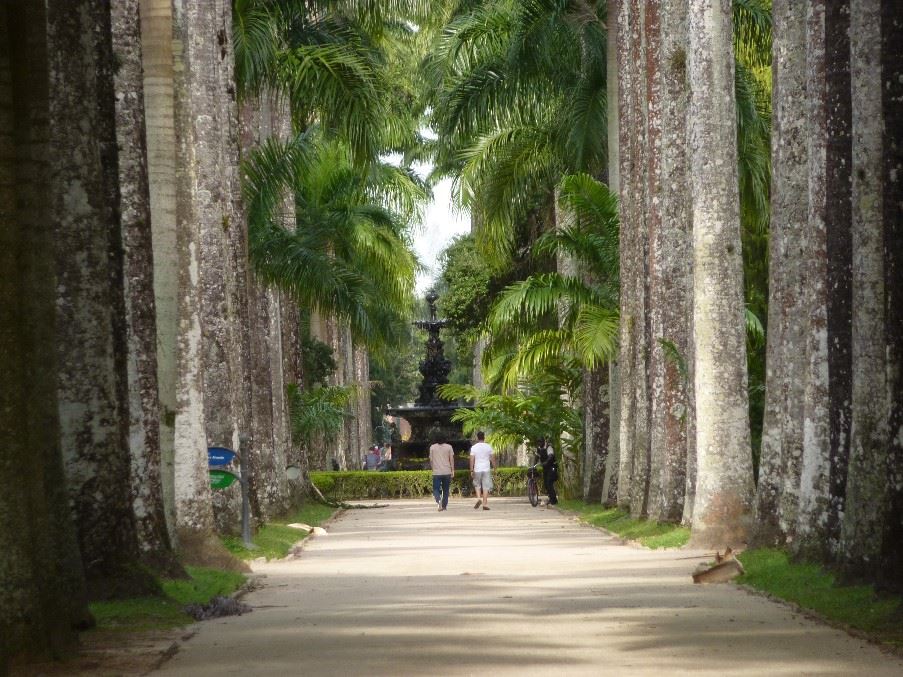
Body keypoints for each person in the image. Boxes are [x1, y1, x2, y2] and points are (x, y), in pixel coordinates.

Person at [469, 431, 496, 510]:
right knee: (486, 486)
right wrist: (495, 468)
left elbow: (471, 459)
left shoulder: (474, 447)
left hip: (477, 468)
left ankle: (478, 499)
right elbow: (493, 458)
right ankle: (484, 504)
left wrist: (471, 470)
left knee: (477, 485)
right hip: (486, 468)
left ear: (477, 438)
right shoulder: (489, 446)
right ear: (484, 437)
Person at [429, 432, 455, 511]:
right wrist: (453, 470)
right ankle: (444, 506)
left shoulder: (432, 447)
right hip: (447, 471)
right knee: (446, 489)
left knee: (436, 489)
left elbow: (431, 459)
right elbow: (451, 459)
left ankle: (438, 500)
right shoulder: (449, 447)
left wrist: (432, 468)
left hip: (436, 472)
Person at [536, 437, 558, 505]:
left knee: (549, 483)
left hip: (552, 467)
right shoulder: (539, 448)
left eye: (541, 442)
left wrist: (546, 462)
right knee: (546, 484)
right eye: (538, 442)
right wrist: (534, 466)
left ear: (544, 442)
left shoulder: (549, 447)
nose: (539, 444)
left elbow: (551, 456)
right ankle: (551, 498)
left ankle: (554, 501)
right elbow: (536, 457)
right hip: (545, 468)